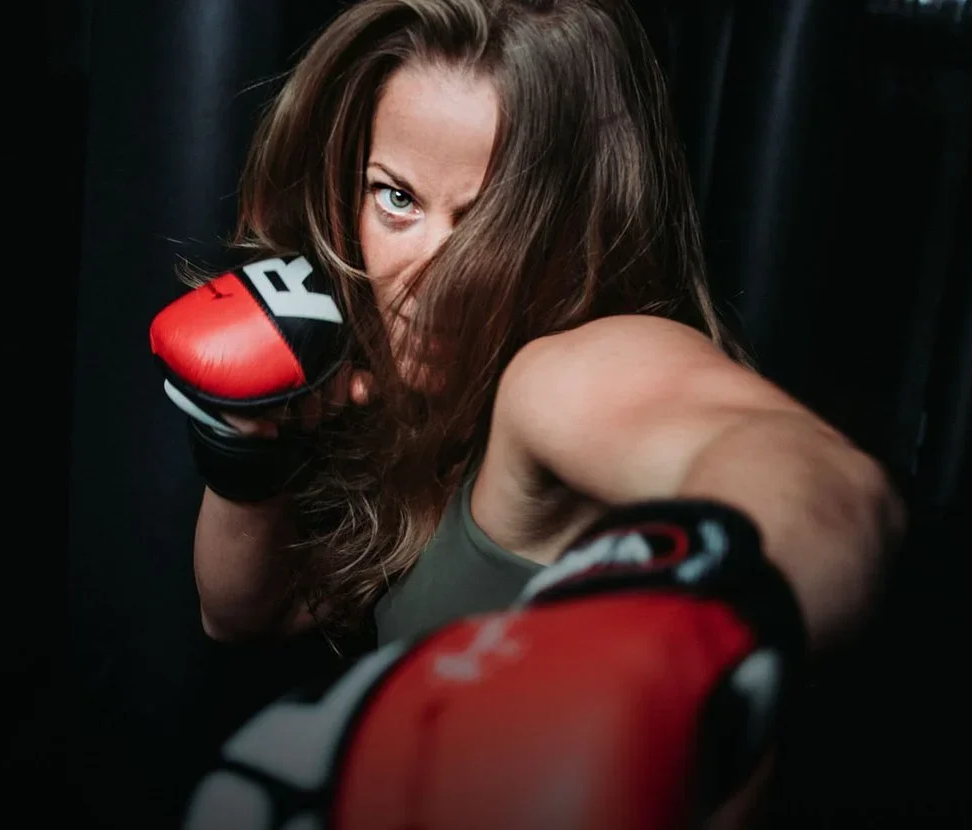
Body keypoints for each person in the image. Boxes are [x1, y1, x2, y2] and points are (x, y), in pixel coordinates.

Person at [191, 0, 904, 668]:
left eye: (486, 224)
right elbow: (245, 616)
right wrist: (248, 441)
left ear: (585, 227)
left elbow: (827, 494)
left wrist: (669, 664)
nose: (427, 278)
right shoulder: (425, 409)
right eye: (397, 197)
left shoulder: (571, 371)